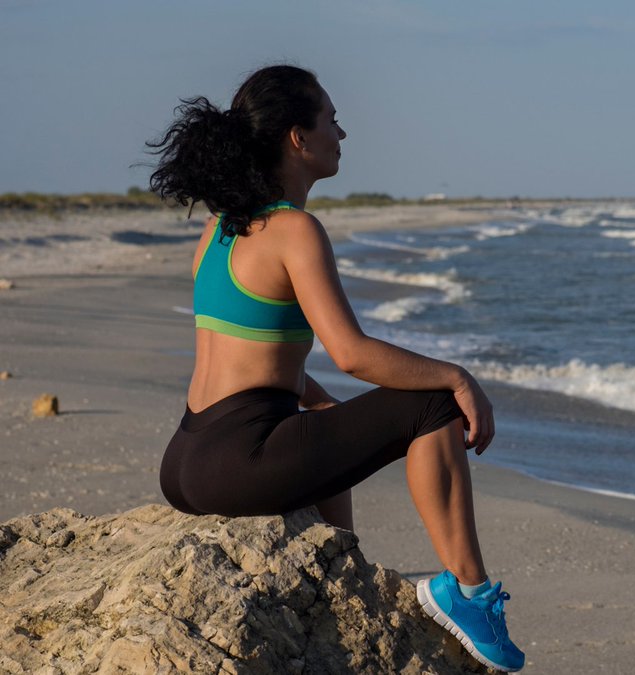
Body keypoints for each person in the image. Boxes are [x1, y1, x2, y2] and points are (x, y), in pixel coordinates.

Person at [149, 64, 524, 672]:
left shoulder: (221, 228)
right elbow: (350, 351)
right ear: (298, 138)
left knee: (323, 410)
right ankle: (472, 593)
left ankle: (341, 557)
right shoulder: (294, 230)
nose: (343, 133)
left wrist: (324, 404)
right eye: (331, 119)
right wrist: (458, 377)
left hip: (186, 460)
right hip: (241, 462)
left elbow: (262, 364)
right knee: (432, 403)